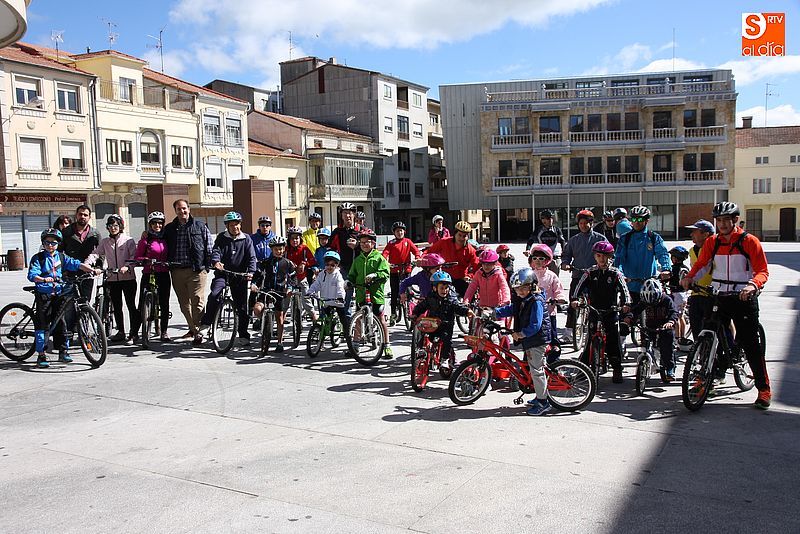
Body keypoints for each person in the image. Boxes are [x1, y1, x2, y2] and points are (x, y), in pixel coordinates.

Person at [681, 201, 771, 410]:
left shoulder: (749, 241)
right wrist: (690, 278)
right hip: (718, 295)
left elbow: (762, 271)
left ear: (735, 220)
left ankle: (764, 389)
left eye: (725, 220)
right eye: (718, 220)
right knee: (706, 335)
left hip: (743, 296)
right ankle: (704, 379)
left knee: (750, 344)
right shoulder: (713, 242)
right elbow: (701, 264)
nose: (722, 224)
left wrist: (752, 285)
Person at [27, 229, 99, 368]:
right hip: (44, 294)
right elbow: (32, 274)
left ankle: (63, 351)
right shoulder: (38, 258)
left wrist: (91, 270)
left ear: (58, 244)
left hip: (59, 292)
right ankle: (41, 354)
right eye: (47, 242)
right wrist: (43, 279)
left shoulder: (61, 257)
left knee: (62, 322)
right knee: (44, 325)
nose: (50, 245)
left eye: (53, 243)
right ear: (43, 243)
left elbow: (76, 264)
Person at [492, 268, 552, 415]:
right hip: (531, 339)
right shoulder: (524, 299)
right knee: (532, 368)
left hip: (537, 340)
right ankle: (539, 397)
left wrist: (521, 334)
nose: (520, 292)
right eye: (517, 289)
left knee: (536, 371)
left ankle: (543, 402)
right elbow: (513, 308)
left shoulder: (536, 301)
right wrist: (496, 312)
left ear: (532, 286)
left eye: (524, 288)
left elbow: (536, 325)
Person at [571, 241, 631, 383]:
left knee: (612, 341)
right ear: (595, 256)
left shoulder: (615, 274)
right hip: (594, 310)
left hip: (611, 311)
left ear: (611, 257)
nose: (602, 259)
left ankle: (617, 369)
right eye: (599, 256)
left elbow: (625, 291)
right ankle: (583, 370)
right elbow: (578, 288)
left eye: (605, 256)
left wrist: (626, 303)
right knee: (589, 342)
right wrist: (575, 300)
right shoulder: (590, 272)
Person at [197, 212, 257, 346]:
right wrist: (216, 262)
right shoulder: (221, 237)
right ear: (227, 226)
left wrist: (251, 272)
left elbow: (252, 257)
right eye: (232, 225)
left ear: (240, 224)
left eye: (237, 224)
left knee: (242, 307)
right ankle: (205, 325)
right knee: (214, 295)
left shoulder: (246, 239)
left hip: (239, 277)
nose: (235, 227)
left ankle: (243, 334)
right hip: (223, 274)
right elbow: (216, 251)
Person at [163, 199, 213, 345]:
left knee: (197, 301)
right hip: (177, 270)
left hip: (196, 270)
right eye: (178, 209)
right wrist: (146, 234)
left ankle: (199, 332)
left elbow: (209, 246)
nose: (182, 211)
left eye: (184, 208)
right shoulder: (170, 228)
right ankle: (194, 329)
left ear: (189, 209)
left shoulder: (200, 226)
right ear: (175, 211)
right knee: (184, 304)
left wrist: (207, 266)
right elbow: (159, 241)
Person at [85, 214, 139, 345]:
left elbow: (134, 257)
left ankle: (134, 333)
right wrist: (87, 264)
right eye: (110, 226)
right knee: (117, 306)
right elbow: (95, 253)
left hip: (128, 278)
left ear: (120, 226)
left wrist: (127, 266)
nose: (113, 228)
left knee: (131, 305)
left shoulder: (128, 240)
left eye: (115, 225)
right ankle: (121, 331)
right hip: (112, 278)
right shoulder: (105, 242)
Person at [411, 271, 473, 370]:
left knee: (446, 340)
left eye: (446, 288)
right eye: (442, 288)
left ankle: (445, 359)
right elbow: (421, 306)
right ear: (435, 288)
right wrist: (415, 313)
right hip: (433, 324)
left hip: (446, 325)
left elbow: (458, 307)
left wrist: (467, 311)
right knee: (423, 333)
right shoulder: (430, 298)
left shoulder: (451, 299)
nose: (444, 290)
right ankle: (421, 350)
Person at [561, 209, 607, 340]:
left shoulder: (600, 238)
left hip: (595, 276)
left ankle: (597, 327)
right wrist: (565, 264)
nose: (583, 225)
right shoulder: (574, 240)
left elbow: (609, 254)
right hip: (577, 275)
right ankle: (569, 331)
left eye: (586, 223)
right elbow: (566, 255)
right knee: (573, 302)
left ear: (591, 223)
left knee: (598, 303)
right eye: (581, 223)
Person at [614, 205, 671, 304]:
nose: (636, 222)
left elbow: (662, 254)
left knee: (653, 317)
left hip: (649, 286)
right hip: (629, 285)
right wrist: (620, 273)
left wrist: (666, 268)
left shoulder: (654, 238)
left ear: (646, 220)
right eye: (634, 219)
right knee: (626, 316)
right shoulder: (625, 239)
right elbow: (619, 258)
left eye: (640, 219)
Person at [348, 230, 392, 358]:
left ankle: (387, 345)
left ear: (373, 243)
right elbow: (352, 274)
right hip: (362, 293)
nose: (364, 245)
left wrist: (376, 275)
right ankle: (355, 345)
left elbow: (385, 273)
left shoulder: (379, 258)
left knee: (381, 319)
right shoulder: (358, 260)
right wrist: (348, 281)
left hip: (375, 293)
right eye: (361, 243)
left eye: (367, 242)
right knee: (358, 319)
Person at [625, 278, 679, 382]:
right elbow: (636, 310)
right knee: (645, 343)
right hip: (650, 327)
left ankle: (670, 369)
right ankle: (646, 363)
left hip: (664, 327)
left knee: (667, 347)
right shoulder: (645, 301)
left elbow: (674, 312)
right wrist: (629, 317)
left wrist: (671, 322)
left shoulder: (666, 300)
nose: (651, 304)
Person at [251, 236, 296, 353]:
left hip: (280, 292)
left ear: (284, 249)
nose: (278, 251)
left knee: (280, 318)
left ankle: (280, 342)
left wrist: (290, 287)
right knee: (257, 309)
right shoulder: (265, 262)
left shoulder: (287, 263)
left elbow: (293, 278)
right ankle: (263, 321)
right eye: (276, 249)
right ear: (272, 249)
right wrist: (254, 284)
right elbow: (257, 275)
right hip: (266, 290)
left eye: (281, 249)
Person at [134, 211, 172, 342]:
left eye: (160, 223)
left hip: (163, 272)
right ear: (150, 224)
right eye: (154, 223)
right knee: (141, 303)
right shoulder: (146, 239)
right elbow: (137, 256)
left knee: (164, 303)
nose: (157, 225)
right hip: (149, 272)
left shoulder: (167, 237)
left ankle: (164, 331)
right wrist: (145, 259)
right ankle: (135, 333)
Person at [527, 244, 566, 357]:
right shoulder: (529, 274)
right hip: (532, 313)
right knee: (530, 340)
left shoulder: (551, 275)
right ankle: (527, 364)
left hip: (548, 313)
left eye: (541, 258)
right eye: (535, 258)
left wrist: (559, 298)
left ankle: (554, 362)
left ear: (547, 260)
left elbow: (558, 289)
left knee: (552, 338)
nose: (537, 261)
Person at [426, 220, 479, 298]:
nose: (461, 238)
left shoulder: (470, 250)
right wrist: (421, 260)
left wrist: (469, 276)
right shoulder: (444, 242)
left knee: (467, 300)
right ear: (455, 234)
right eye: (459, 235)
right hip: (444, 278)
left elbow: (477, 267)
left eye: (464, 236)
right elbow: (429, 252)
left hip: (460, 279)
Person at [382, 221, 422, 326]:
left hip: (406, 270)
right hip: (394, 271)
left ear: (404, 232)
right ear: (394, 233)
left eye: (401, 231)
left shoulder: (408, 242)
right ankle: (393, 314)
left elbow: (416, 251)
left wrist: (418, 258)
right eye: (397, 231)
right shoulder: (391, 243)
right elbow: (385, 253)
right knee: (394, 293)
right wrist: (385, 261)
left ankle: (412, 311)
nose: (399, 233)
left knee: (409, 291)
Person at [684, 220, 715, 343]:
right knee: (696, 326)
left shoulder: (715, 249)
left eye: (695, 232)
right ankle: (700, 353)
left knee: (720, 324)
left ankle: (731, 347)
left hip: (712, 293)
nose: (691, 234)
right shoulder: (692, 250)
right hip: (696, 292)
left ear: (705, 234)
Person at [329, 202, 364, 313]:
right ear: (341, 215)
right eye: (345, 213)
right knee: (345, 298)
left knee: (362, 300)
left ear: (354, 215)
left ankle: (361, 324)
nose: (347, 216)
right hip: (345, 268)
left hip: (360, 268)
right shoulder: (337, 232)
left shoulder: (362, 231)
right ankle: (347, 326)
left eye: (349, 213)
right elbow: (330, 249)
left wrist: (357, 246)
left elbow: (371, 247)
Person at [305, 250, 348, 332]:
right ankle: (322, 338)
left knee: (343, 320)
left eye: (332, 265)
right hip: (326, 302)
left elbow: (340, 288)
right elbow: (316, 284)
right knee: (324, 321)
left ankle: (347, 336)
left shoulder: (338, 276)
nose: (329, 267)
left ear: (337, 265)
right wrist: (310, 292)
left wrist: (340, 297)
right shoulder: (322, 274)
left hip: (338, 302)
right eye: (327, 265)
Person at [286, 226, 316, 319]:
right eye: (292, 238)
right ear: (289, 239)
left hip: (302, 277)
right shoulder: (286, 250)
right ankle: (281, 321)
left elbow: (313, 260)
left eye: (297, 238)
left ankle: (314, 319)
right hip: (289, 279)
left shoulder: (304, 248)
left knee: (306, 299)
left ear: (300, 239)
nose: (295, 240)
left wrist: (304, 263)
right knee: (285, 299)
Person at [524, 209, 566, 275]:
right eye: (547, 219)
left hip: (553, 256)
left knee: (554, 277)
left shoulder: (556, 229)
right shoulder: (539, 229)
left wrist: (564, 251)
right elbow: (531, 240)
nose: (550, 220)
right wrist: (528, 249)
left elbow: (562, 241)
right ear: (543, 220)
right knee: (540, 277)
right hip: (542, 257)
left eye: (551, 218)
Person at [667, 245, 690, 345]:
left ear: (675, 258)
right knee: (681, 316)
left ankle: (676, 339)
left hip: (676, 294)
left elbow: (666, 278)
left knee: (675, 317)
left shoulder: (674, 269)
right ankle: (682, 337)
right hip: (683, 294)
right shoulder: (685, 268)